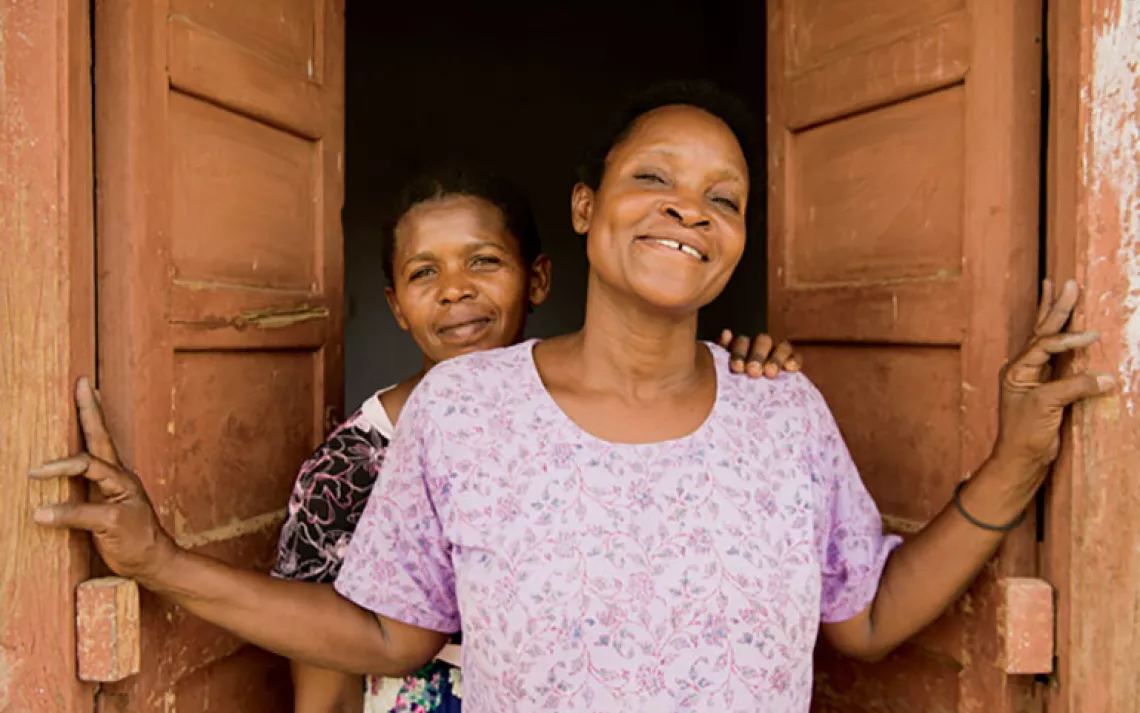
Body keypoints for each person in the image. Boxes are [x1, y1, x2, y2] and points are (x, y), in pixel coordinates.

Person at [29, 83, 1116, 712]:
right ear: (589, 209)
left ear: (737, 239)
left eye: (722, 197)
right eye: (655, 179)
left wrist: (1021, 452)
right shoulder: (465, 414)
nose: (688, 209)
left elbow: (869, 616)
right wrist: (157, 559)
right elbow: (387, 634)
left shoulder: (784, 414)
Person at [264, 165, 800, 712]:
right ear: (397, 305)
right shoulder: (351, 469)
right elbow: (323, 692)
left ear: (537, 280)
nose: (455, 289)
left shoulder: (601, 424)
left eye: (484, 261)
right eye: (424, 272)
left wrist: (743, 380)